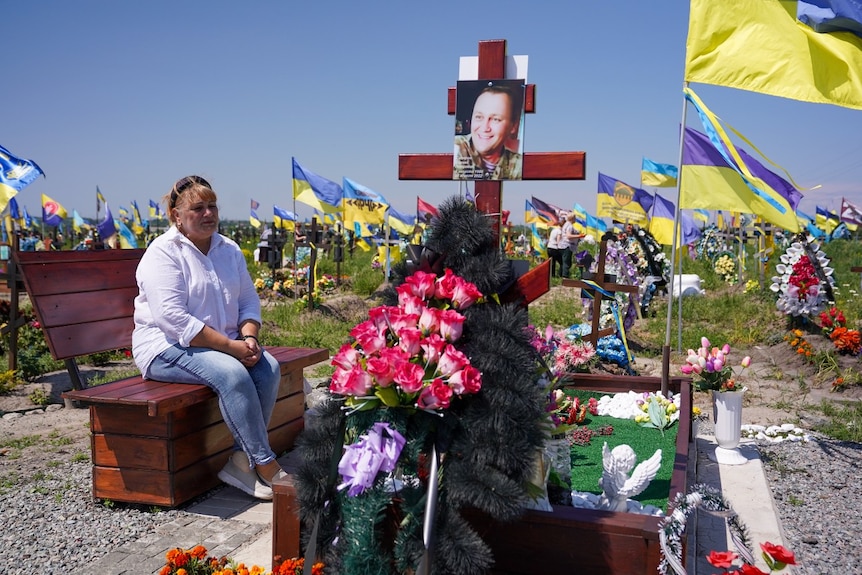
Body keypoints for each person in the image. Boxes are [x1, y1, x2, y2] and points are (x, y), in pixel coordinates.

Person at [132, 175, 286, 501]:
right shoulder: (163, 253)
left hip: (221, 344)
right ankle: (266, 464)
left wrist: (249, 337)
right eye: (197, 208)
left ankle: (240, 461)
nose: (208, 214)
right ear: (176, 215)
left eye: (212, 206)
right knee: (232, 373)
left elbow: (248, 300)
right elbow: (172, 318)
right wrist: (231, 348)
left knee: (268, 367)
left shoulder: (227, 248)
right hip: (164, 346)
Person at [453, 84, 523, 180]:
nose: (485, 128)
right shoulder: (455, 148)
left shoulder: (520, 164)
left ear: (513, 126)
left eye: (496, 119)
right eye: (479, 117)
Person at [561, 212, 584, 278]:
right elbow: (568, 236)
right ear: (572, 218)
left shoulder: (566, 224)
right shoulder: (569, 226)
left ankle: (564, 275)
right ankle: (565, 276)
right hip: (567, 245)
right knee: (567, 262)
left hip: (564, 245)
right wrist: (579, 236)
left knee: (565, 261)